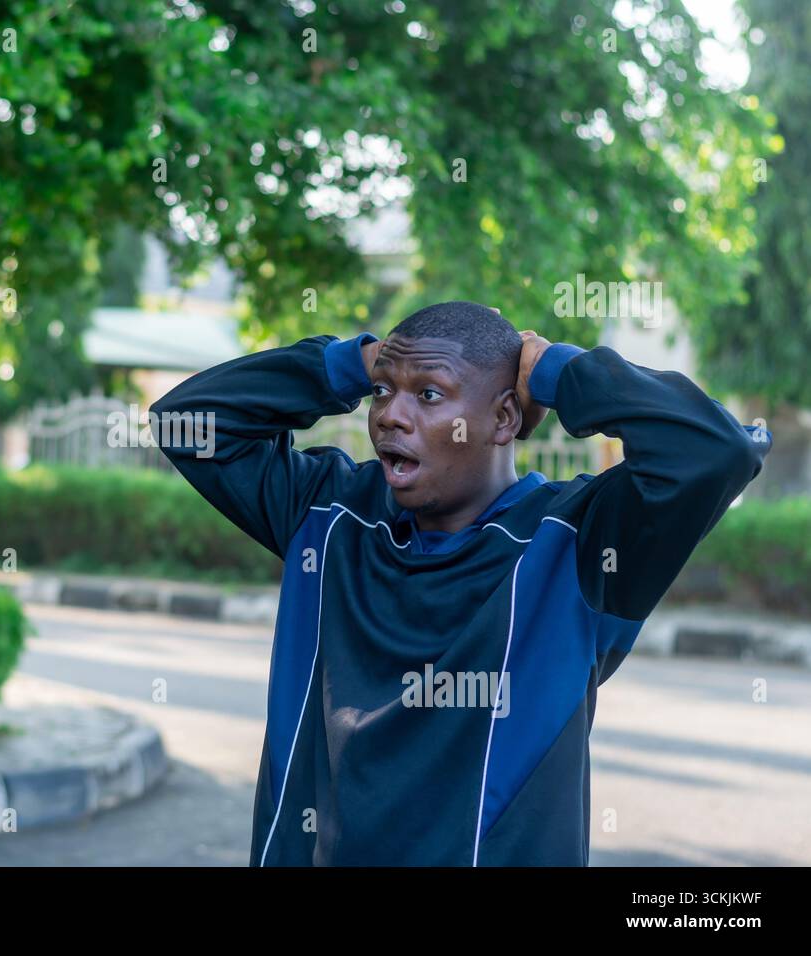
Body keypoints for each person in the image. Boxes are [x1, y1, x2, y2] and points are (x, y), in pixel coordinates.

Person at [152, 300, 771, 866]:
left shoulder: (579, 544)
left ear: (504, 417)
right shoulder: (328, 513)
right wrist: (353, 362)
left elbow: (715, 452)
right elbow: (186, 420)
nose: (391, 414)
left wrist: (553, 371)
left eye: (428, 393)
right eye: (381, 392)